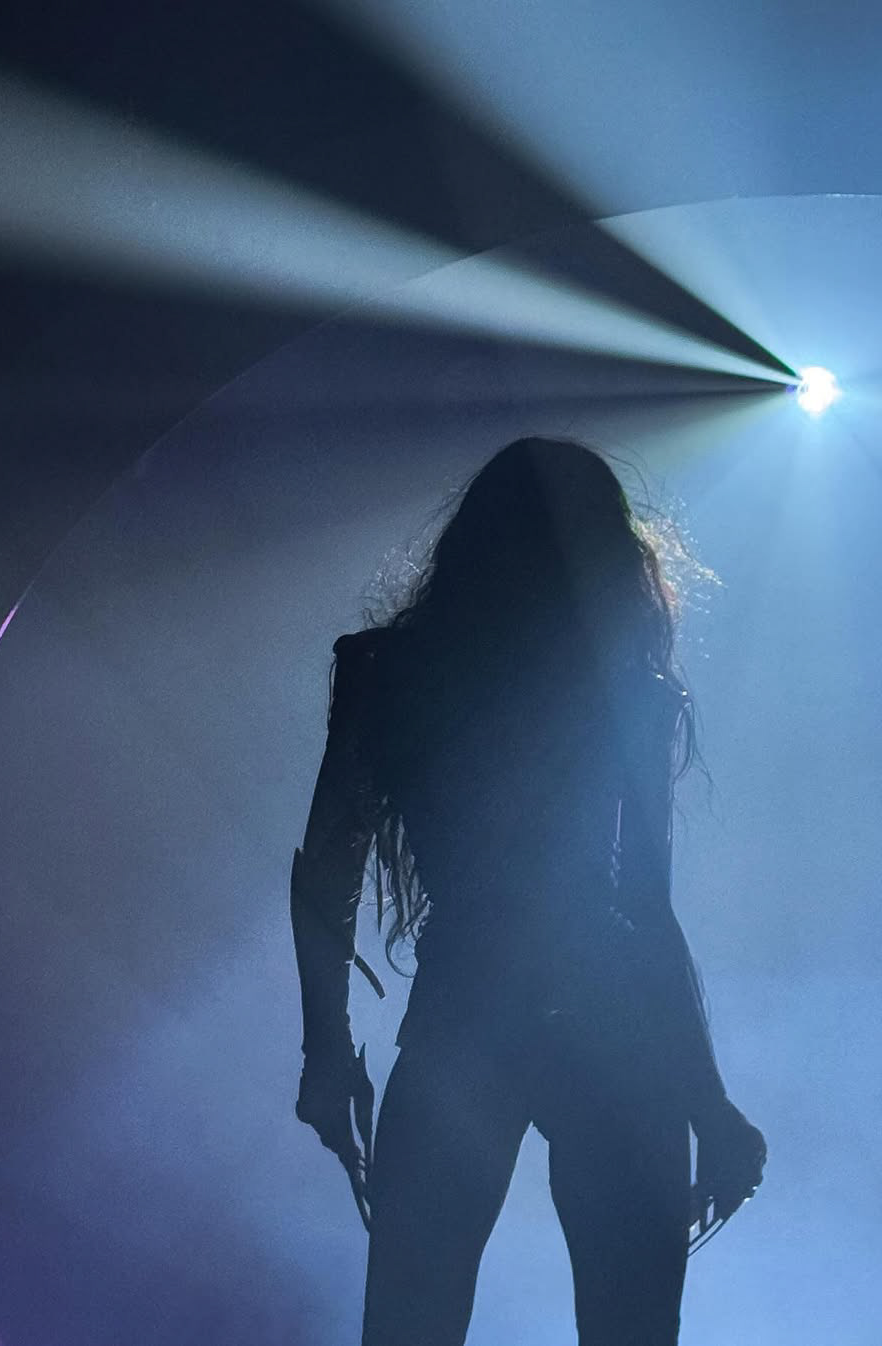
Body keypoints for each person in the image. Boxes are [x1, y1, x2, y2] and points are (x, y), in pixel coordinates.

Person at [290, 437, 766, 1346]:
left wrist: (325, 1053)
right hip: (609, 1022)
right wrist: (710, 1105)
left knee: (411, 1326)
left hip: (466, 1011)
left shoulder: (389, 672)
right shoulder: (628, 687)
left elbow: (326, 876)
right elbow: (648, 910)